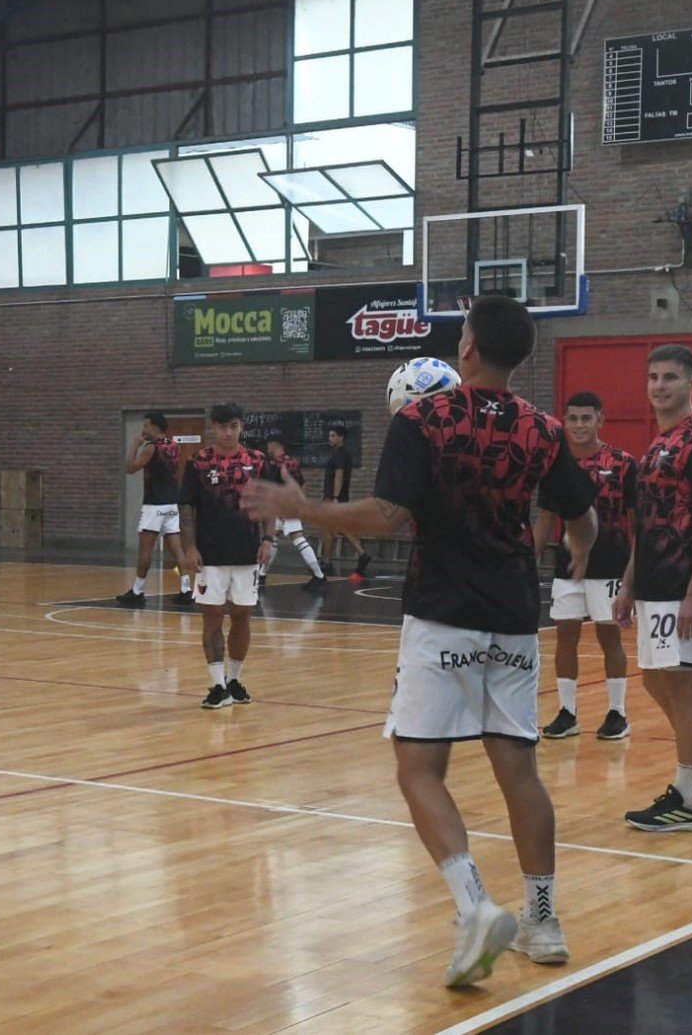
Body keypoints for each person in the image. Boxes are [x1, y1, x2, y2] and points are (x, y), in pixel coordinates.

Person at [247, 296, 598, 987]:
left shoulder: (423, 418)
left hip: (441, 612)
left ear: (467, 350)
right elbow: (581, 518)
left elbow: (384, 516)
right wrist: (579, 554)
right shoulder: (543, 427)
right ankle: (542, 918)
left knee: (417, 769)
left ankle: (473, 907)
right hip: (512, 614)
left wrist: (302, 506)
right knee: (518, 770)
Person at [614, 344, 692, 831]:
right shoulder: (658, 446)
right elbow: (644, 525)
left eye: (669, 377)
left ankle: (688, 800)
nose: (659, 386)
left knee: (685, 685)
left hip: (684, 587)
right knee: (655, 679)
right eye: (653, 377)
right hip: (653, 585)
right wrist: (628, 584)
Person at [532, 392, 637, 741]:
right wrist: (527, 565)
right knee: (565, 639)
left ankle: (617, 713)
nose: (579, 425)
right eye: (573, 419)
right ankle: (567, 712)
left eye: (586, 418)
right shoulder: (556, 466)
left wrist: (633, 577)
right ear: (564, 422)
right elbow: (545, 519)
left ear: (599, 420)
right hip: (567, 569)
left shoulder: (622, 463)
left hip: (611, 567)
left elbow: (638, 522)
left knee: (609, 638)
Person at [181, 402, 276, 710]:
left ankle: (234, 679)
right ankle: (217, 685)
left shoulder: (258, 460)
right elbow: (187, 508)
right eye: (222, 426)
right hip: (210, 555)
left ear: (241, 427)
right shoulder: (198, 462)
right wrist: (190, 547)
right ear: (214, 428)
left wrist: (268, 539)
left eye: (233, 426)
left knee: (242, 615)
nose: (228, 431)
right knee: (212, 617)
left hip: (248, 552)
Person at [116, 412, 192, 608]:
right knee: (177, 548)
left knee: (145, 549)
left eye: (147, 425)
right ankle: (186, 589)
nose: (144, 429)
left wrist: (134, 445)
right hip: (171, 504)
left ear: (156, 427)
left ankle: (138, 591)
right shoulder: (173, 446)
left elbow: (130, 468)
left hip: (154, 504)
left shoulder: (151, 448)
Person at [257, 435, 326, 591]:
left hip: (283, 507)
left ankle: (320, 576)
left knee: (297, 539)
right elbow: (301, 485)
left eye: (269, 445)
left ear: (274, 445)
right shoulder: (292, 462)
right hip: (290, 506)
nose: (268, 448)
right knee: (274, 537)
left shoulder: (275, 464)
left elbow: (276, 489)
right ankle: (262, 575)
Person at [320, 424, 370, 580]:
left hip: (334, 498)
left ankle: (326, 562)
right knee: (340, 527)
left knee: (328, 528)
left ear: (341, 437)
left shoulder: (340, 455)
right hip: (337, 498)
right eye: (329, 436)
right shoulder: (340, 454)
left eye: (333, 435)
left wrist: (335, 498)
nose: (330, 438)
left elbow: (339, 476)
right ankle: (362, 554)